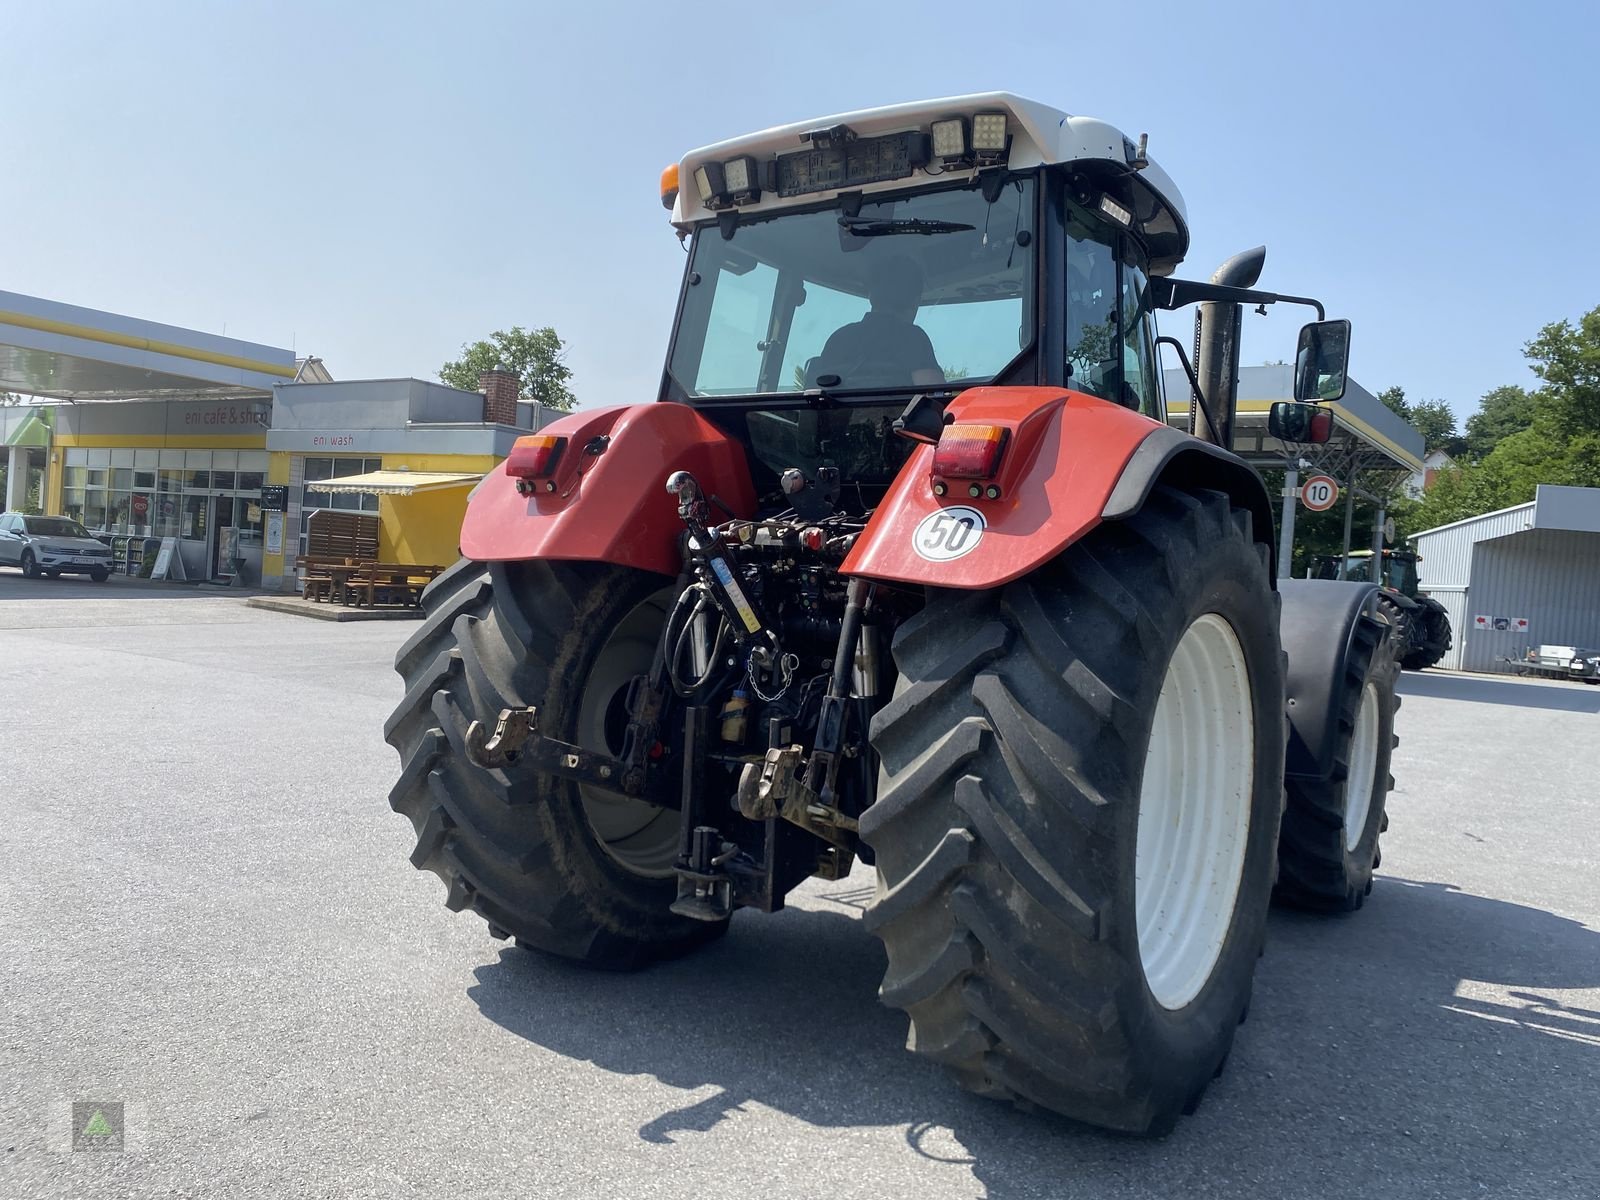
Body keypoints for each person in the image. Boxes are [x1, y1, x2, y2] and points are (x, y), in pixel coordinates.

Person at [815, 256, 945, 388]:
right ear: (915, 300)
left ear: (872, 296)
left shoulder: (838, 339)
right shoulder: (913, 338)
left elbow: (816, 393)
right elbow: (933, 391)